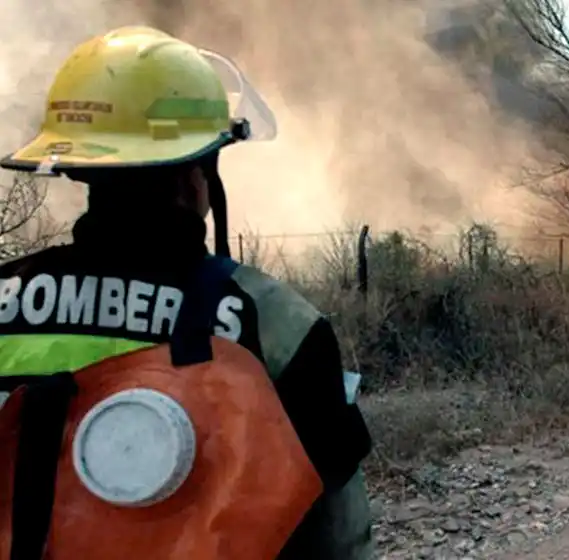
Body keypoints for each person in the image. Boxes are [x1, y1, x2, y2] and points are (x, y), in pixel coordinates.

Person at [0, 25, 374, 559]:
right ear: (195, 176)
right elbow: (336, 532)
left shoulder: (6, 302)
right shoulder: (272, 323)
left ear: (83, 172)